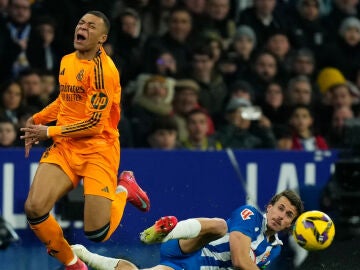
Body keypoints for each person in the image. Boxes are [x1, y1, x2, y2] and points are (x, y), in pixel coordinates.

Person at [20, 11, 150, 270]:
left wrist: (49, 132)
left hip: (98, 149)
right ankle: (72, 263)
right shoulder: (68, 60)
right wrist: (38, 119)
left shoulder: (104, 72)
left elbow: (94, 124)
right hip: (66, 146)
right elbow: (65, 100)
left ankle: (125, 189)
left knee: (97, 233)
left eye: (91, 26)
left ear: (102, 38)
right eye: (81, 23)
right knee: (34, 208)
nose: (83, 28)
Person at [71, 189, 304, 270]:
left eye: (288, 215)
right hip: (190, 248)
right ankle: (166, 232)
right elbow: (241, 260)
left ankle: (82, 254)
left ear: (291, 224)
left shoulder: (274, 250)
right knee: (220, 226)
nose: (281, 216)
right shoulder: (251, 215)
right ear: (269, 206)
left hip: (189, 267)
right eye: (280, 208)